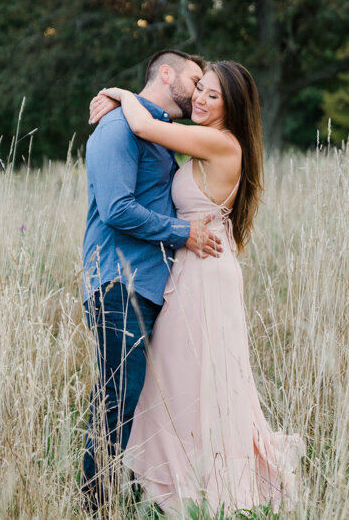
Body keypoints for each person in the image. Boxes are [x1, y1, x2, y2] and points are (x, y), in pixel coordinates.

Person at [89, 61, 302, 514]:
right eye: (199, 89)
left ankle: (199, 477)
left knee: (190, 377)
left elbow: (144, 124)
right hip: (193, 267)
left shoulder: (219, 143)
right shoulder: (210, 144)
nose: (200, 100)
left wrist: (117, 93)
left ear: (233, 107)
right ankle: (175, 473)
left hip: (203, 272)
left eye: (212, 96)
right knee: (184, 377)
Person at [80, 49, 224, 511]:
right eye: (195, 79)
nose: (200, 90)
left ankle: (131, 494)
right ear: (167, 74)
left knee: (135, 402)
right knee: (117, 400)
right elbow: (117, 208)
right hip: (118, 283)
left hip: (149, 286)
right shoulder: (119, 127)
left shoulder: (152, 129)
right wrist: (185, 233)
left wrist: (119, 94)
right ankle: (95, 505)